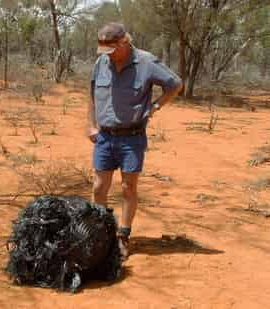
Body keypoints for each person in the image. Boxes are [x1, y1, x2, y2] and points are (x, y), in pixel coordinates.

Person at [88, 22, 183, 260]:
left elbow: (175, 84)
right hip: (105, 136)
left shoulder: (146, 62)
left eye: (111, 49)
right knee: (99, 187)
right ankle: (100, 232)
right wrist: (90, 124)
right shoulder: (101, 62)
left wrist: (156, 106)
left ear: (124, 42)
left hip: (132, 138)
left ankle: (123, 235)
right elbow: (91, 94)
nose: (107, 55)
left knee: (128, 187)